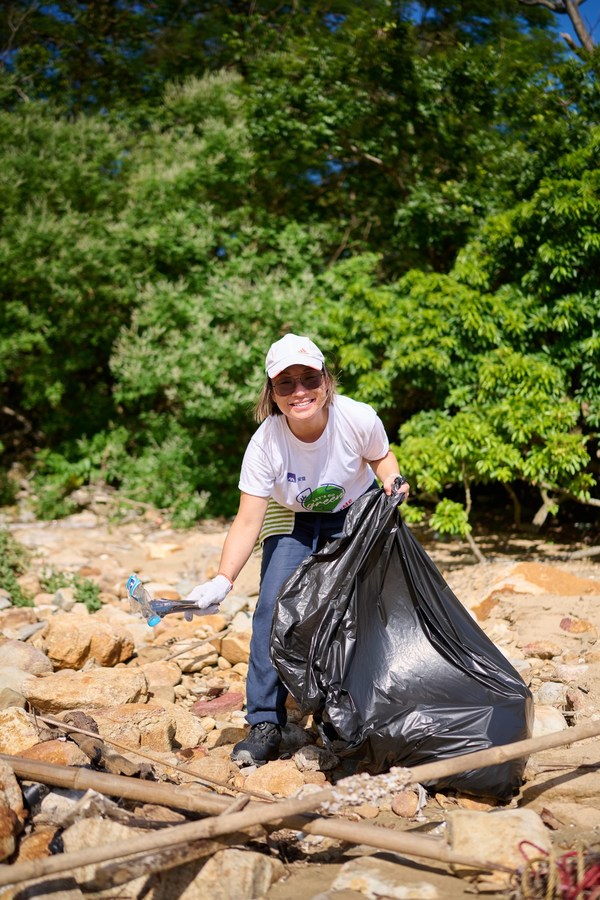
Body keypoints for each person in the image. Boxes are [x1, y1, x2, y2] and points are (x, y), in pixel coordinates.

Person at [184, 334, 410, 766]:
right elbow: (247, 520)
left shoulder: (357, 418)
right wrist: (222, 580)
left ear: (326, 381)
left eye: (309, 379)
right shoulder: (265, 443)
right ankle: (266, 721)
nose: (299, 391)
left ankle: (354, 713)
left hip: (353, 511)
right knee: (273, 609)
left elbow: (383, 459)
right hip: (290, 518)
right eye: (285, 384)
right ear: (272, 393)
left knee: (357, 610)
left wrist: (392, 481)